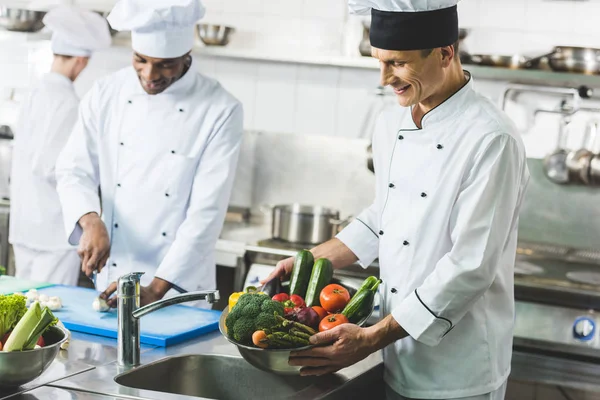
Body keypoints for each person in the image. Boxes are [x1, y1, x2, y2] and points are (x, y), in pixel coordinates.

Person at [262, 0, 530, 398]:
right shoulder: (392, 122)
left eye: (398, 63)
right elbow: (382, 217)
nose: (386, 78)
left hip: (458, 370)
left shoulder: (491, 139)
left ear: (445, 53)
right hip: (396, 354)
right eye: (380, 61)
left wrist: (372, 337)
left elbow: (470, 265)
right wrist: (309, 261)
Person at [55, 0, 243, 307]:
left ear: (187, 56)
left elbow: (205, 215)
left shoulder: (220, 108)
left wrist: (155, 289)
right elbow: (72, 169)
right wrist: (90, 220)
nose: (149, 74)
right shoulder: (107, 93)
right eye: (140, 59)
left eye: (165, 64)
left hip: (178, 291)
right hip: (113, 279)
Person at [9, 6, 111, 286]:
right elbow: (52, 166)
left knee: (20, 312)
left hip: (26, 225)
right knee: (47, 312)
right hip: (51, 231)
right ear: (81, 61)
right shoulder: (67, 103)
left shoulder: (35, 92)